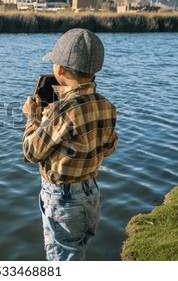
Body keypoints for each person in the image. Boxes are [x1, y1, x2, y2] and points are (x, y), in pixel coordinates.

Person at [22, 28, 118, 261]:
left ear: (60, 69)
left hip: (63, 200)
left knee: (61, 261)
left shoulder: (60, 111)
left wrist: (33, 117)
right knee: (76, 254)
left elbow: (31, 152)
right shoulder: (106, 105)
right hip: (91, 194)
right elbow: (110, 147)